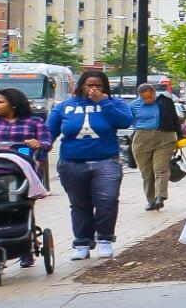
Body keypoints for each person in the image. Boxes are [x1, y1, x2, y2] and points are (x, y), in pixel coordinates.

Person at [44, 70, 133, 259]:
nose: (93, 89)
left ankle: (105, 239)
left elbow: (125, 121)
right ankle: (82, 243)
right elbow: (49, 132)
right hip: (72, 163)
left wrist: (103, 102)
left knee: (107, 201)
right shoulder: (64, 107)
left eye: (98, 86)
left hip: (106, 161)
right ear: (80, 86)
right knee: (79, 204)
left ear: (105, 87)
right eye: (89, 85)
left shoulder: (114, 104)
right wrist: (39, 150)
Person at [128, 82, 182, 211]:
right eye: (144, 98)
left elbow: (174, 119)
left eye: (150, 97)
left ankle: (160, 196)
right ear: (139, 96)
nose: (148, 100)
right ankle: (151, 200)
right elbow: (128, 121)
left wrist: (180, 137)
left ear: (154, 93)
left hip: (165, 136)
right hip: (142, 137)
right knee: (146, 171)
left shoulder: (165, 101)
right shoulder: (133, 105)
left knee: (161, 167)